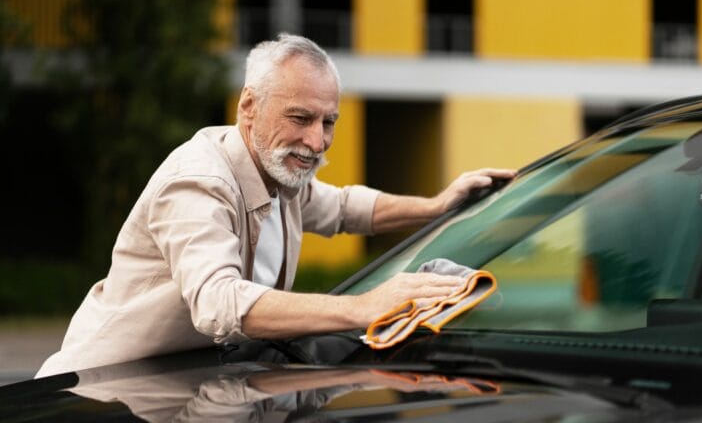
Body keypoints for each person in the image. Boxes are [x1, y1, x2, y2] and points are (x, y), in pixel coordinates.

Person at [36, 34, 516, 377]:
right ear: (249, 106)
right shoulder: (197, 182)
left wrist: (435, 205)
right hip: (99, 393)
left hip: (186, 387)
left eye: (329, 122)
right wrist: (364, 307)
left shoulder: (277, 171)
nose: (317, 141)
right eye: (300, 118)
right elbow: (219, 303)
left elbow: (344, 207)